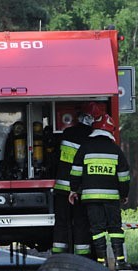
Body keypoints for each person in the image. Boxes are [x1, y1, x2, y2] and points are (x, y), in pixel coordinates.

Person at [69, 114, 131, 269]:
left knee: (97, 229)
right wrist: (124, 194)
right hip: (111, 198)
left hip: (91, 198)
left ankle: (101, 262)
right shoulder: (115, 150)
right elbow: (124, 176)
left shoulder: (85, 148)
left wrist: (73, 190)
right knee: (115, 228)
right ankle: (120, 261)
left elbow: (75, 171)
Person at [52, 102, 105, 257]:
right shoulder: (92, 137)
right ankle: (83, 256)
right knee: (81, 222)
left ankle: (58, 255)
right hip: (81, 189)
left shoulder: (67, 133)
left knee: (61, 222)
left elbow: (55, 159)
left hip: (62, 188)